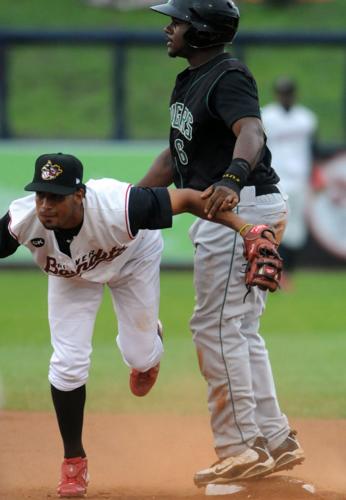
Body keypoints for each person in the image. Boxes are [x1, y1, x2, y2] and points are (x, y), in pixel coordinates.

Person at [0, 152, 265, 497]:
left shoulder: (119, 206)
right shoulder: (23, 220)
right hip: (72, 278)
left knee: (139, 356)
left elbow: (185, 199)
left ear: (79, 195)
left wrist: (246, 229)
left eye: (56, 196)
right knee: (67, 364)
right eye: (40, 195)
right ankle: (74, 463)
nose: (45, 205)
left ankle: (150, 339)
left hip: (131, 260)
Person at [137, 0, 305, 488]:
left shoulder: (228, 74)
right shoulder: (192, 78)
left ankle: (239, 448)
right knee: (239, 328)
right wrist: (132, 203)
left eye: (177, 21)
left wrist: (232, 178)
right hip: (239, 205)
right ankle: (273, 439)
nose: (169, 27)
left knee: (214, 327)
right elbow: (176, 157)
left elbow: (251, 131)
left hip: (235, 209)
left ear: (203, 30)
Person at [261, 77, 318, 289]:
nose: (285, 96)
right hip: (275, 179)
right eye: (282, 92)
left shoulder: (306, 118)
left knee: (295, 229)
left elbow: (314, 149)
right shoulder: (267, 116)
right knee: (273, 224)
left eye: (288, 92)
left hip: (299, 179)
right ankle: (271, 271)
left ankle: (288, 274)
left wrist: (315, 175)